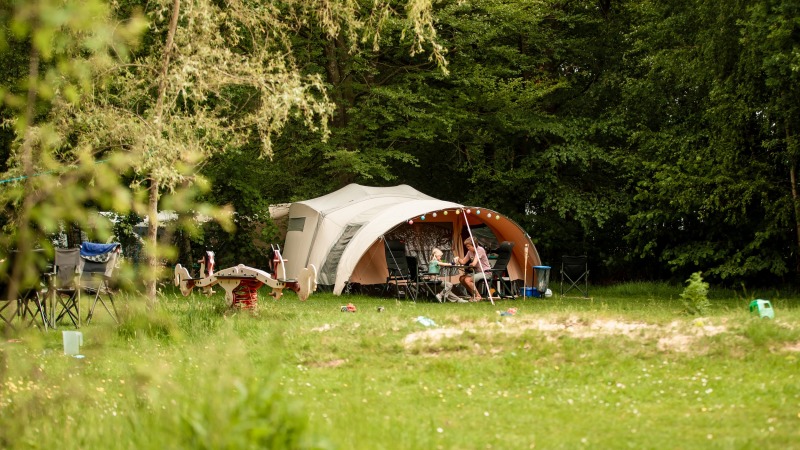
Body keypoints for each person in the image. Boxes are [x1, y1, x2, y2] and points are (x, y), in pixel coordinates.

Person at [456, 237, 491, 301]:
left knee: (467, 280)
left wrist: (471, 264)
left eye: (469, 246)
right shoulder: (470, 251)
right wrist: (458, 258)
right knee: (462, 278)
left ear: (474, 245)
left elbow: (474, 263)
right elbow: (463, 262)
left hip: (485, 272)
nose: (467, 248)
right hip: (477, 272)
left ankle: (478, 296)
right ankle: (473, 295)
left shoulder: (480, 250)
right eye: (467, 246)